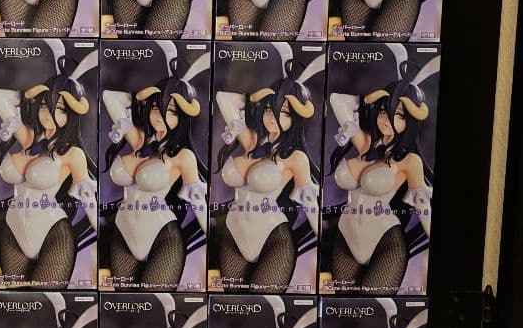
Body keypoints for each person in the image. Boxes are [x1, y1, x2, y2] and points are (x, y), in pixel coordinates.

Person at [327, 46, 437, 293]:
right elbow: (336, 100)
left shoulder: (409, 160)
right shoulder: (365, 142)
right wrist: (373, 98)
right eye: (384, 112)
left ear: (409, 120)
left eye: (399, 115)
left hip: (385, 240)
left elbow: (423, 207)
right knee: (343, 306)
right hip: (345, 234)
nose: (388, 120)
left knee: (371, 305)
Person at [214, 46, 323, 291]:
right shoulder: (251, 141)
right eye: (269, 110)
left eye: (284, 113)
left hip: (274, 237)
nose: (274, 117)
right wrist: (260, 97)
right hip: (233, 231)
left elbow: (310, 205)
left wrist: (323, 245)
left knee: (261, 300)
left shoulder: (295, 158)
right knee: (233, 303)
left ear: (295, 118)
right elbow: (223, 98)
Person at [103, 43, 209, 289]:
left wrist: (211, 240)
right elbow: (110, 97)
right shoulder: (139, 139)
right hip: (122, 232)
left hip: (163, 235)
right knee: (124, 304)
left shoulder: (182, 156)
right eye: (155, 108)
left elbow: (199, 203)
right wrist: (148, 94)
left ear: (181, 116)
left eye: (170, 111)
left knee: (151, 300)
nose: (160, 116)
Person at [0, 44, 98, 287]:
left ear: (70, 114)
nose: (49, 115)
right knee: (16, 303)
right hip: (13, 229)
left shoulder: (72, 154)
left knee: (43, 298)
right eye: (44, 106)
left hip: (53, 232)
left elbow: (88, 200)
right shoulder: (28, 137)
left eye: (59, 109)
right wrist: (35, 94)